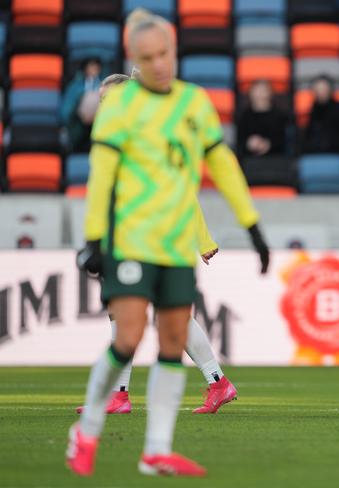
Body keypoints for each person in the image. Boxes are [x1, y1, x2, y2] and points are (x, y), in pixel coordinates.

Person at [67, 11, 265, 477]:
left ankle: (157, 447)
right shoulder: (119, 116)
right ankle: (92, 426)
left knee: (172, 340)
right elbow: (101, 179)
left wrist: (251, 225)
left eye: (164, 54)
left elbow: (216, 166)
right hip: (130, 240)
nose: (158, 63)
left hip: (173, 244)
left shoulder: (191, 104)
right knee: (128, 334)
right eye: (148, 56)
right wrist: (94, 238)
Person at [76, 71, 269, 416]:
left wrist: (203, 238)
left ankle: (137, 396)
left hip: (155, 238)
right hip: (125, 238)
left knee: (163, 317)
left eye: (107, 98)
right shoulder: (116, 135)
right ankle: (208, 383)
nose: (102, 104)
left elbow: (181, 189)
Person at [302, 75, 339, 154]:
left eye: (323, 90)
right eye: (317, 90)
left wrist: (331, 145)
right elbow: (308, 136)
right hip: (316, 154)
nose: (321, 93)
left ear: (330, 90)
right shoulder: (313, 111)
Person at [236, 79, 290, 158]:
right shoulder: (244, 116)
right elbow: (239, 141)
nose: (260, 94)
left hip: (275, 159)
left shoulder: (279, 115)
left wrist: (268, 145)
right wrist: (249, 144)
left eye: (263, 90)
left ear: (270, 93)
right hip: (248, 160)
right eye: (257, 90)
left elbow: (283, 140)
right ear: (250, 93)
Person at [61, 57, 104, 152]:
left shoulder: (105, 84)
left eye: (96, 67)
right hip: (79, 124)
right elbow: (67, 109)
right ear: (85, 69)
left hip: (100, 123)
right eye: (90, 67)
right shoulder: (76, 86)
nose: (93, 70)